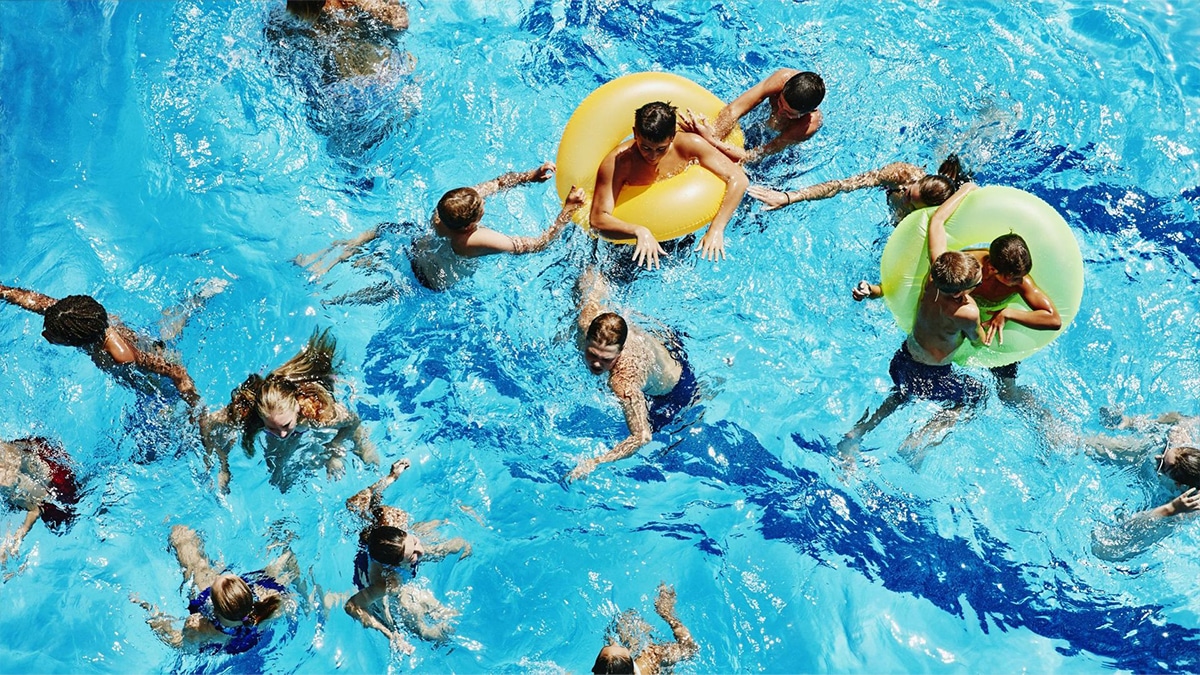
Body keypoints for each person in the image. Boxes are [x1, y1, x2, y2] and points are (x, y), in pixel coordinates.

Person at [838, 184, 986, 457]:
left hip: (904, 358)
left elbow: (937, 221)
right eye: (978, 279)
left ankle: (858, 432)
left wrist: (965, 189)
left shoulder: (934, 276)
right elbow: (980, 343)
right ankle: (920, 440)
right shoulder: (966, 311)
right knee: (977, 397)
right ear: (963, 291)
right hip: (933, 374)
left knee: (900, 395)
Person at [297, 163, 586, 290]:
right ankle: (334, 286)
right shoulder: (473, 240)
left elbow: (495, 184)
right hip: (427, 282)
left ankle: (327, 257)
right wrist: (567, 210)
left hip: (410, 246)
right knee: (377, 287)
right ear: (471, 224)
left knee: (381, 230)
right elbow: (538, 244)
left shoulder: (446, 208)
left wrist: (529, 176)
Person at [199, 328, 378, 493]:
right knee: (276, 478)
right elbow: (206, 421)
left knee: (368, 456)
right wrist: (222, 464)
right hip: (286, 415)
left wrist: (335, 449)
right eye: (272, 428)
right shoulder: (252, 414)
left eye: (285, 425)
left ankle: (361, 443)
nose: (281, 434)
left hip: (312, 404)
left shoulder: (317, 413)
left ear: (297, 409)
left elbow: (353, 421)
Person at [568, 268, 699, 481]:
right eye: (592, 354)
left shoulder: (623, 380)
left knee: (668, 445)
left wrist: (596, 462)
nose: (596, 364)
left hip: (675, 389)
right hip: (664, 340)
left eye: (606, 359)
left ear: (620, 353)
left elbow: (642, 436)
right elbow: (591, 275)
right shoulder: (587, 320)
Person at [335, 459, 470, 653]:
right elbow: (351, 606)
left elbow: (364, 500)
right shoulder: (385, 582)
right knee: (418, 619)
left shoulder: (391, 526)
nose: (420, 551)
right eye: (411, 556)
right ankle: (438, 635)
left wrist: (392, 476)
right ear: (394, 564)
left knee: (445, 544)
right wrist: (390, 634)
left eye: (413, 543)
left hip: (389, 549)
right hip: (385, 582)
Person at [590, 101, 748, 268]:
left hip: (679, 226)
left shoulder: (689, 145)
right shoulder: (618, 164)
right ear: (635, 133)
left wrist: (716, 229)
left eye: (661, 149)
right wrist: (638, 230)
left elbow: (738, 179)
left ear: (672, 136)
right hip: (629, 234)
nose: (652, 156)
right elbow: (597, 219)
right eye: (645, 147)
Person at [0, 284, 203, 406]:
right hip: (143, 343)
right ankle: (197, 298)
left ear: (75, 340)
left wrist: (197, 410)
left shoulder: (121, 355)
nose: (45, 335)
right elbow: (33, 300)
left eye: (53, 335)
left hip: (157, 384)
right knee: (164, 334)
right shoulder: (77, 317)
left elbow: (176, 371)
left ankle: (200, 297)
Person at [131, 524, 299, 655]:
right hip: (244, 637)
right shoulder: (269, 603)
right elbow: (288, 559)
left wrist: (152, 616)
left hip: (219, 630)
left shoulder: (199, 627)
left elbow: (178, 644)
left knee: (189, 551)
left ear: (214, 605)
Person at [1086, 413, 1200, 560]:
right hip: (1144, 461)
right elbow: (1183, 419)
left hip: (1152, 492)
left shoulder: (1186, 509)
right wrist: (1132, 422)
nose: (1157, 457)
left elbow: (1106, 549)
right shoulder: (1183, 449)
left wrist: (1170, 509)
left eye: (1161, 464)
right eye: (1164, 452)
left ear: (1178, 485)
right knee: (1091, 444)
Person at [747, 155, 968, 220]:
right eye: (909, 193)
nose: (905, 198)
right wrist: (789, 197)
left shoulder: (936, 217)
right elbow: (841, 186)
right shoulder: (901, 175)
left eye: (912, 204)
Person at [677, 69, 824, 164]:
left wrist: (711, 142)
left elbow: (753, 156)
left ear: (806, 113)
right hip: (758, 126)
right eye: (779, 102)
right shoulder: (782, 78)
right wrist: (709, 138)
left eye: (788, 113)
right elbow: (733, 110)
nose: (779, 112)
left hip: (776, 145)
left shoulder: (806, 127)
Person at [0, 437, 82, 564]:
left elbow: (37, 507)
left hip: (58, 485)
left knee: (59, 524)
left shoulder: (6, 480)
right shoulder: (6, 453)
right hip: (43, 450)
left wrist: (16, 538)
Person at [589, 583, 698, 675]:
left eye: (608, 645)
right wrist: (668, 615)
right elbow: (690, 649)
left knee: (625, 622)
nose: (614, 642)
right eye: (623, 648)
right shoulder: (649, 661)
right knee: (629, 622)